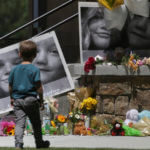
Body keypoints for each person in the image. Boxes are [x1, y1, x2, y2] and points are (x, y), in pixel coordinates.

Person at [8, 40, 50, 149]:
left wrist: (11, 98)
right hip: (31, 100)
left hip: (18, 101)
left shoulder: (14, 70)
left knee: (19, 123)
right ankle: (39, 143)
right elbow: (39, 87)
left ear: (20, 54)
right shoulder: (34, 69)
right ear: (35, 55)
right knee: (36, 123)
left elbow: (10, 86)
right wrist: (41, 100)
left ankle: (18, 144)